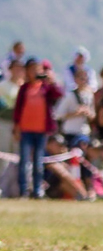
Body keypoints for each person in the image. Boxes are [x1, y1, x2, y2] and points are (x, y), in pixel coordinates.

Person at [13, 59, 62, 198]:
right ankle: (23, 191)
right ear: (27, 71)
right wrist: (16, 128)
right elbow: (18, 109)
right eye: (33, 69)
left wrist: (52, 81)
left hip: (41, 131)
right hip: (25, 130)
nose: (36, 72)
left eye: (38, 69)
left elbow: (59, 94)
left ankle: (37, 190)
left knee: (38, 162)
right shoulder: (24, 88)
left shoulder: (46, 88)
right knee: (24, 161)